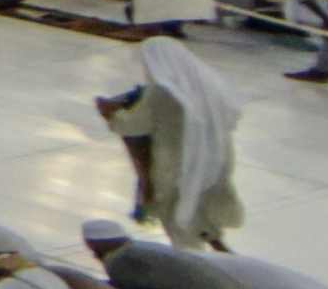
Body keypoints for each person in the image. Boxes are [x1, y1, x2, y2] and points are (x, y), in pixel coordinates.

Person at [94, 35, 244, 242]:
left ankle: (192, 262)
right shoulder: (208, 85)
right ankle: (212, 242)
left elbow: (133, 125)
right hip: (214, 158)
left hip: (176, 165)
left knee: (177, 215)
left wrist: (111, 113)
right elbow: (233, 114)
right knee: (203, 209)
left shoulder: (162, 93)